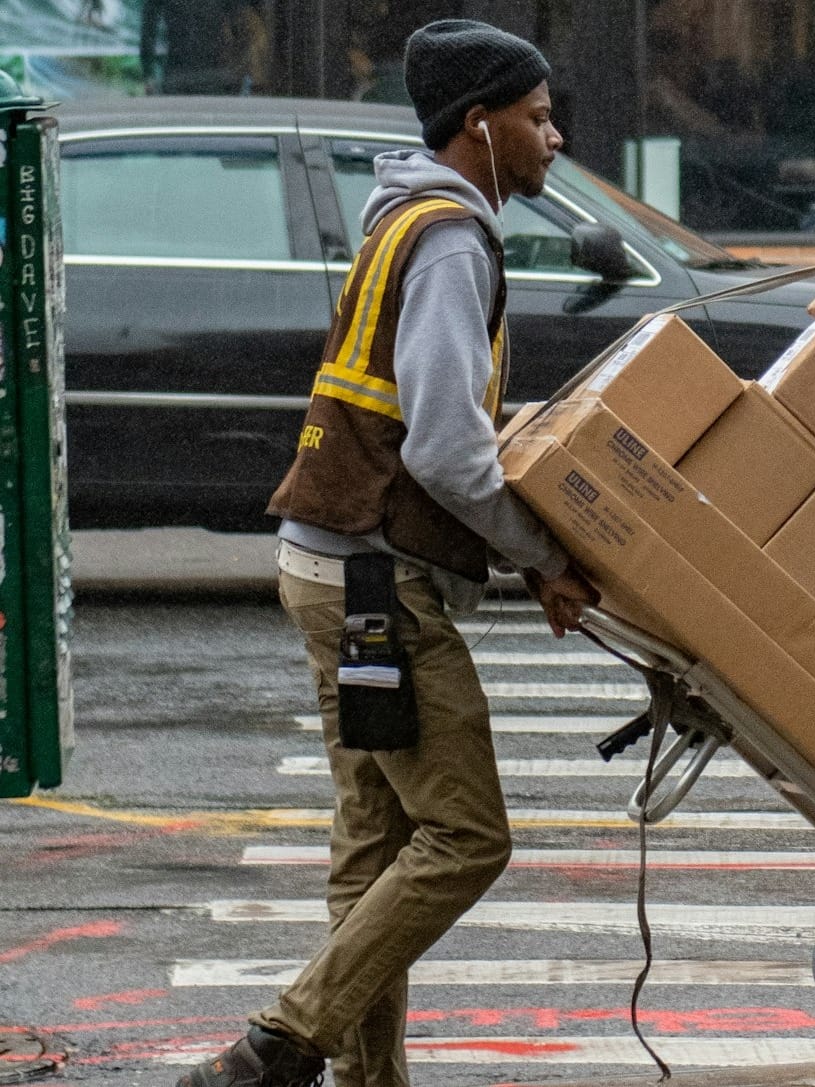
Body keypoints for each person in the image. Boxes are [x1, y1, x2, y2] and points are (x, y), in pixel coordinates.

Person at [177, 20, 597, 1087]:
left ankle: (360, 1077)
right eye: (538, 118)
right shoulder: (453, 240)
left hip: (327, 566)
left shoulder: (401, 219)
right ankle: (275, 1046)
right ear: (479, 123)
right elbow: (452, 453)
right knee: (465, 836)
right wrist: (544, 556)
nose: (554, 137)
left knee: (374, 846)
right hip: (377, 580)